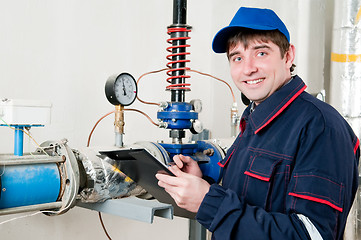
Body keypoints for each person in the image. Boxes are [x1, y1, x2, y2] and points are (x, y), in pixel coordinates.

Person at [156, 6, 360, 240]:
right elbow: (249, 197)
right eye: (237, 57)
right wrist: (203, 182)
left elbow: (311, 235)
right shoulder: (254, 118)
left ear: (288, 55)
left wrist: (209, 202)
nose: (248, 68)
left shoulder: (321, 127)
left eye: (261, 53)